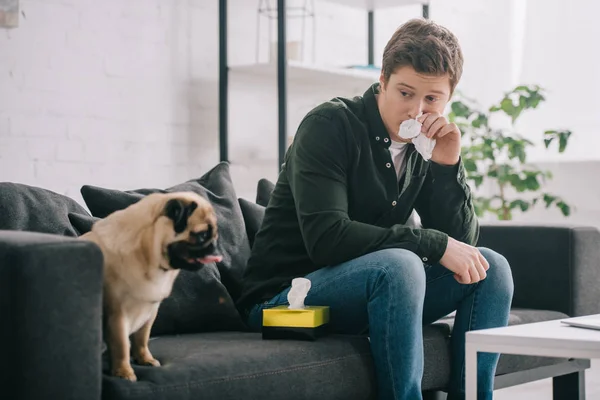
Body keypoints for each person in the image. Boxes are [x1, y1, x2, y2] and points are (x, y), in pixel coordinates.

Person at [236, 18, 514, 400]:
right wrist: (430, 244)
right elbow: (327, 241)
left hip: (368, 294)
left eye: (432, 99)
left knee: (490, 268)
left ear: (448, 99)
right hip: (285, 300)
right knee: (399, 265)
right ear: (382, 79)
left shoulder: (426, 146)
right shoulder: (329, 124)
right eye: (405, 92)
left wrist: (448, 167)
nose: (416, 110)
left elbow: (461, 247)